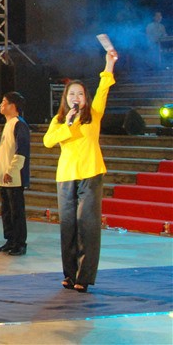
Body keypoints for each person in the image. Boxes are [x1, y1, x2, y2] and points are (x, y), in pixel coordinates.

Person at [43, 50, 118, 293]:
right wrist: (68, 124)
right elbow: (48, 141)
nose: (76, 97)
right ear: (65, 98)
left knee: (87, 225)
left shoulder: (94, 114)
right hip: (66, 176)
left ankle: (84, 277)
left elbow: (104, 88)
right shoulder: (60, 120)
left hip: (90, 173)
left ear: (86, 97)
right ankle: (69, 273)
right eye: (72, 94)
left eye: (80, 94)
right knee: (68, 226)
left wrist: (109, 63)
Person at [0, 91, 31, 256]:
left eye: (4, 102)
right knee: (6, 210)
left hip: (14, 176)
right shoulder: (8, 124)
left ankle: (20, 243)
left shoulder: (19, 124)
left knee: (16, 211)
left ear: (13, 106)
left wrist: (11, 171)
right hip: (4, 175)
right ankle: (10, 240)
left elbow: (21, 151)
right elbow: (6, 151)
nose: (1, 104)